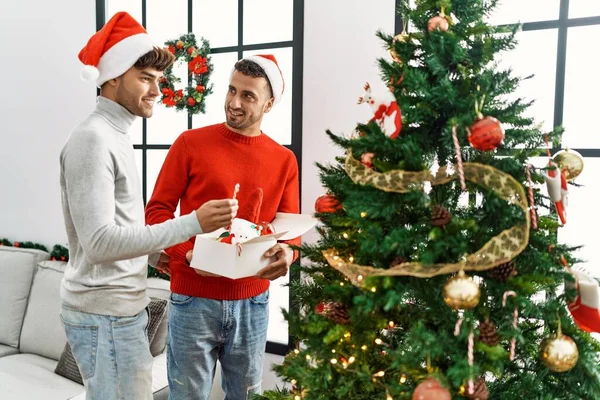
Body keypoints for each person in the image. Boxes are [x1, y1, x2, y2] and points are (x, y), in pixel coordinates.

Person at [59, 12, 238, 400]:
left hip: (118, 311)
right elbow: (100, 243)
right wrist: (192, 222)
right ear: (111, 77)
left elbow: (119, 224)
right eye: (145, 78)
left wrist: (155, 254)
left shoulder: (116, 134)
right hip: (103, 314)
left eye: (158, 80)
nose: (157, 90)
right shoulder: (93, 139)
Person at [145, 54, 300, 399]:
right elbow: (156, 212)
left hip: (253, 302)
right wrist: (188, 256)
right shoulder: (189, 144)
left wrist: (287, 253)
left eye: (248, 95)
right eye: (231, 90)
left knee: (245, 395)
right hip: (191, 300)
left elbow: (290, 229)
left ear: (269, 104)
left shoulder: (284, 160)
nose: (234, 102)